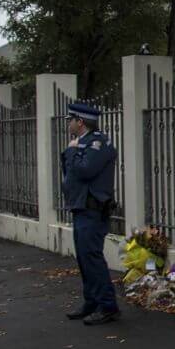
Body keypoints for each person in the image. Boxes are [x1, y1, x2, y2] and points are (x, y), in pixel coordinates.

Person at [61, 102, 120, 325]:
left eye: (71, 120)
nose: (68, 123)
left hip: (92, 209)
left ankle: (108, 306)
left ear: (80, 122)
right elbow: (70, 172)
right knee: (84, 258)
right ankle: (92, 301)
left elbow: (85, 171)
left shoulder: (99, 143)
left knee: (92, 257)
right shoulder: (82, 142)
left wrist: (72, 151)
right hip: (80, 207)